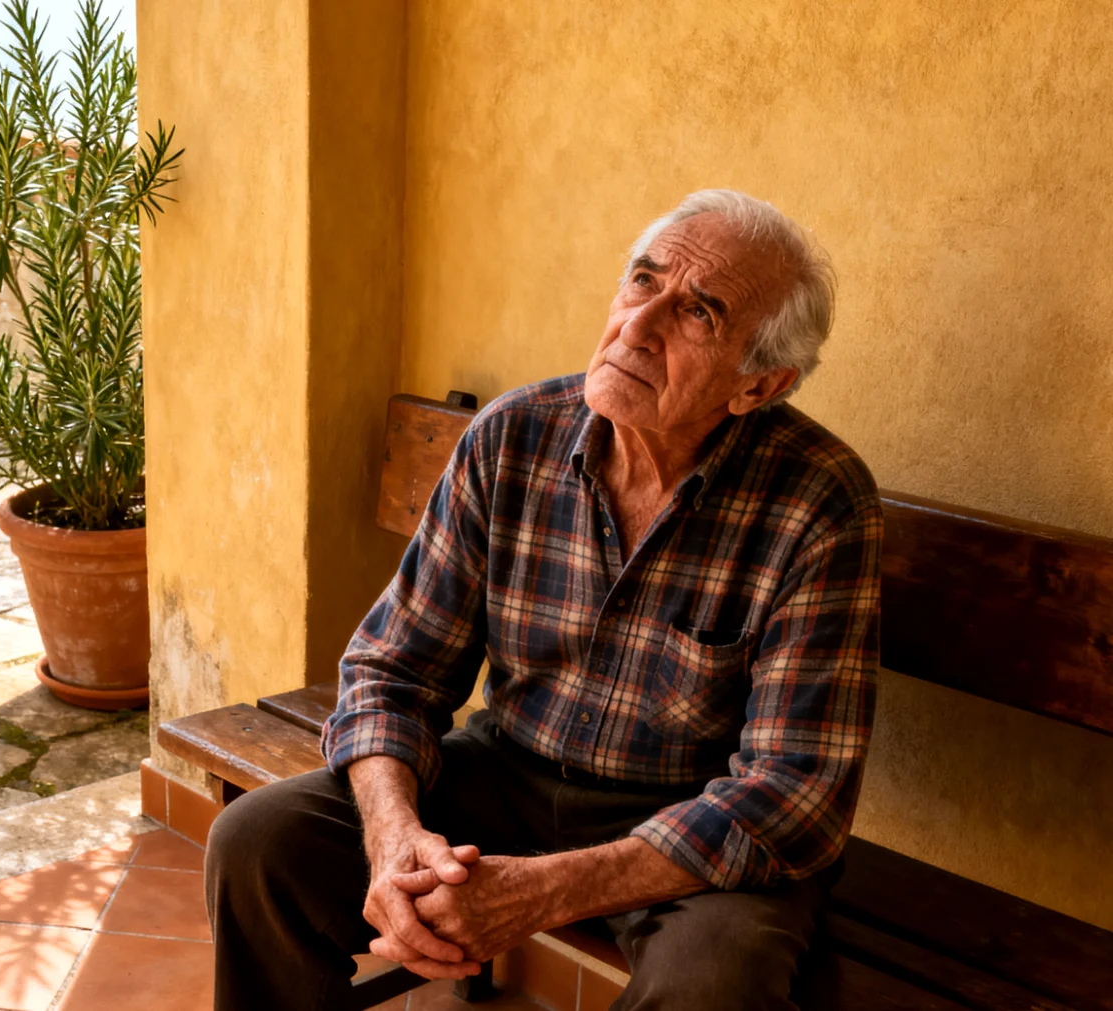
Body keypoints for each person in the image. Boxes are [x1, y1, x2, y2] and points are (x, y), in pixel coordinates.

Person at [206, 190, 883, 1010]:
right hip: (507, 768)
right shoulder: (512, 436)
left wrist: (542, 890)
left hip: (689, 824)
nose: (639, 326)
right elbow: (393, 670)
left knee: (713, 984)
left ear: (757, 384)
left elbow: (793, 791)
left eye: (698, 313)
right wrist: (395, 842)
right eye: (643, 281)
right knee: (256, 843)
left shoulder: (819, 501)